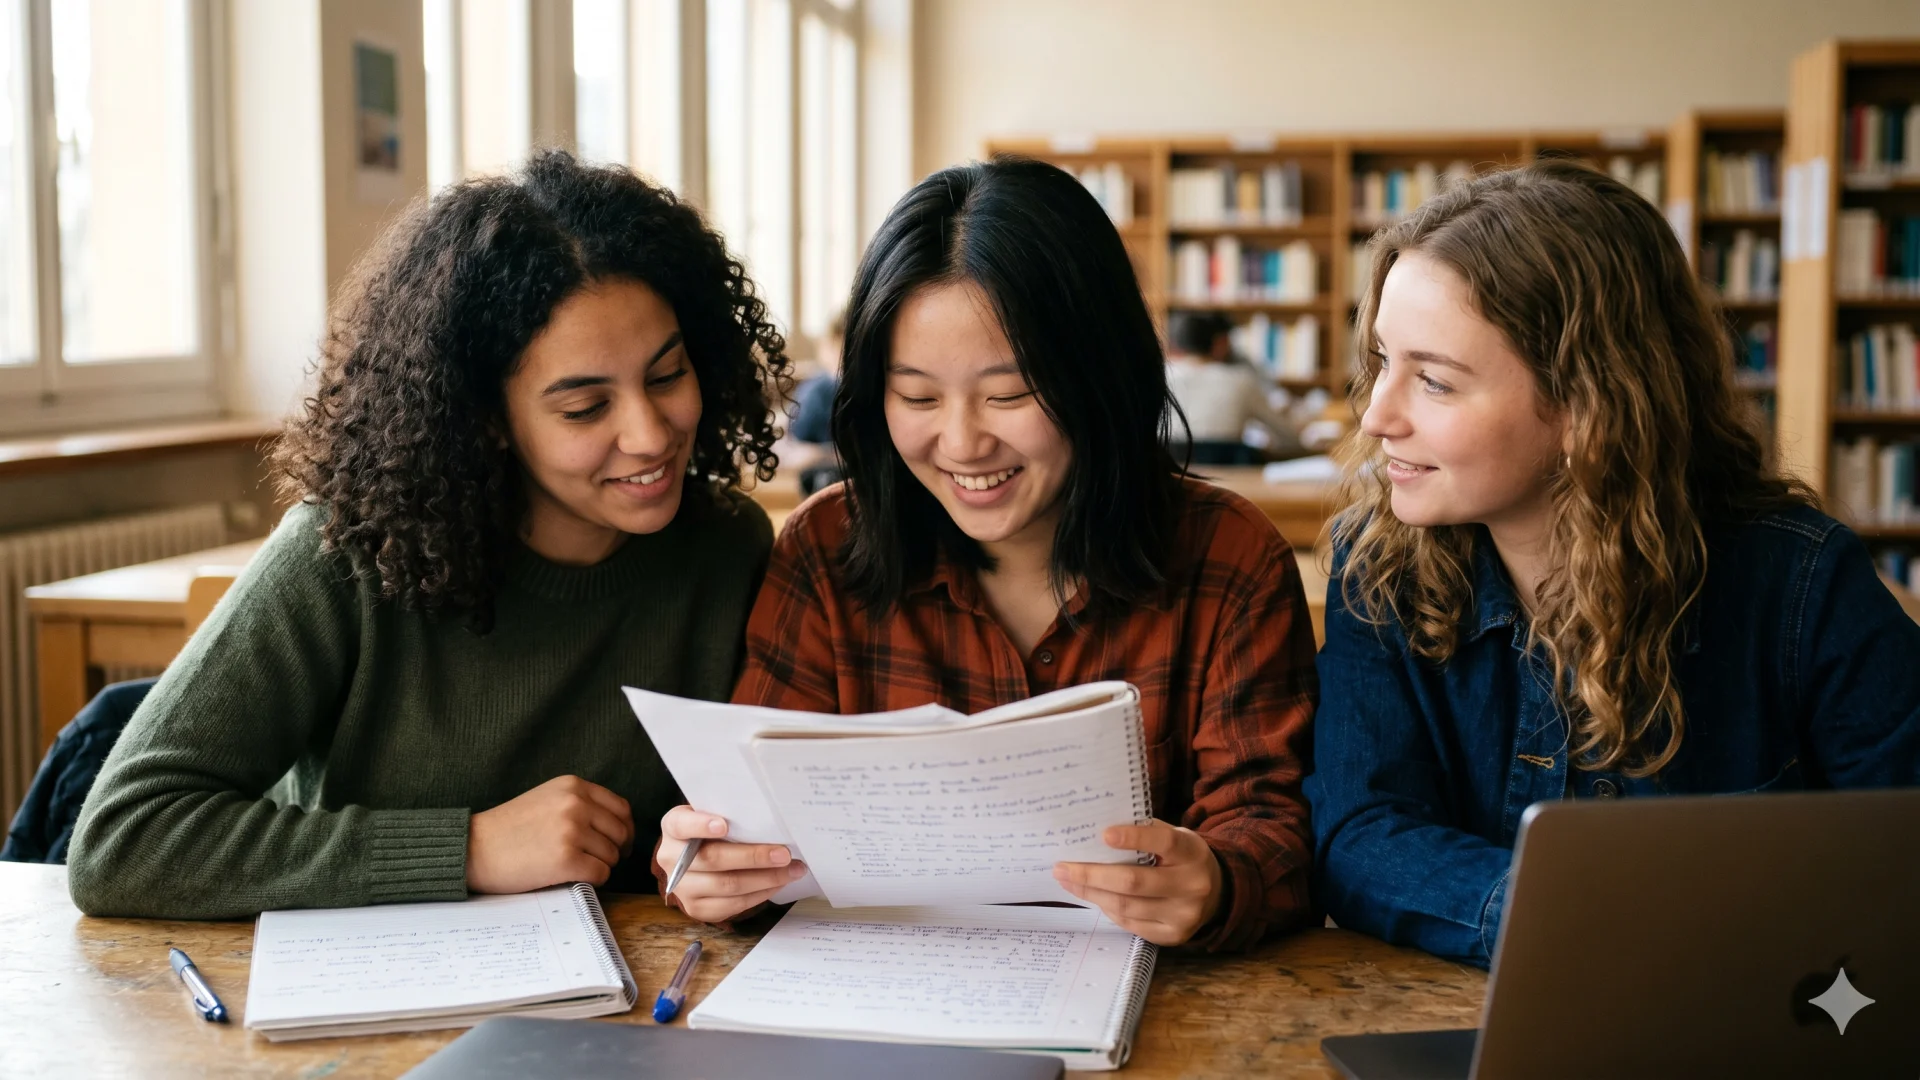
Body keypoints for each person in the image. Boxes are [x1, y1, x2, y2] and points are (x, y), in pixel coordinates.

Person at [66, 151, 791, 918]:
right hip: (369, 1008)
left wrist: (696, 859)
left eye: (668, 375)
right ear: (486, 418)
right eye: (584, 409)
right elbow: (121, 842)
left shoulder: (725, 546)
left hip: (620, 1009)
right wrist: (468, 848)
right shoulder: (347, 553)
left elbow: (723, 829)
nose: (650, 435)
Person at [656, 156, 1319, 951]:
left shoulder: (1227, 555)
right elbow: (753, 816)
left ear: (1102, 377)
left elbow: (1272, 822)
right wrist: (717, 868)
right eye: (919, 398)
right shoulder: (829, 546)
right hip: (875, 1003)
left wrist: (1216, 880)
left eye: (1009, 394)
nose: (964, 443)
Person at [1305, 159, 1920, 967]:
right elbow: (1358, 834)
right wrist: (1589, 923)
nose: (1378, 414)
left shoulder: (1800, 584)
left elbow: (1899, 854)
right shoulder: (1376, 565)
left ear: (1587, 407)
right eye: (1383, 360)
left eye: (1436, 382)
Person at [1163, 311, 1298, 465]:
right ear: (1218, 344)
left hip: (1168, 478)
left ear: (1174, 344)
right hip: (1231, 480)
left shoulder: (1159, 379)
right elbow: (1289, 436)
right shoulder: (1241, 380)